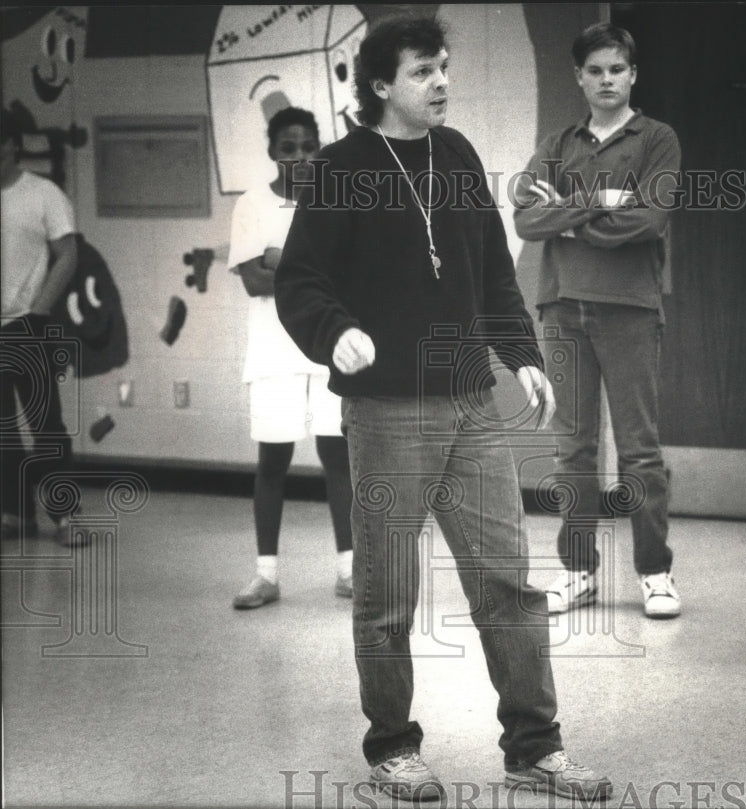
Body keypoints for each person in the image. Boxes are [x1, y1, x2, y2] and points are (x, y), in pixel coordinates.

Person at [274, 15, 612, 803]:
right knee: (388, 589)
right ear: (381, 84)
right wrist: (338, 333)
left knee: (508, 582)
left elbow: (492, 271)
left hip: (470, 404)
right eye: (424, 71)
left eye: (444, 68)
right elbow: (300, 283)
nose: (441, 82)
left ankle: (536, 747)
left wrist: (522, 357)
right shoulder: (339, 168)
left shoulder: (455, 156)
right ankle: (392, 746)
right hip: (387, 412)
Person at [512, 23, 681, 619]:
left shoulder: (657, 138)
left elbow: (650, 219)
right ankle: (578, 570)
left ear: (632, 74)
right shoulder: (559, 142)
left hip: (630, 308)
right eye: (595, 70)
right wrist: (604, 200)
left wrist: (567, 209)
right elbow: (525, 219)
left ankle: (655, 574)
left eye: (617, 69)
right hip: (561, 306)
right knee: (573, 451)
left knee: (639, 451)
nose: (607, 79)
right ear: (578, 78)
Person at [228, 106, 353, 609]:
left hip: (327, 348)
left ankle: (348, 571)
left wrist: (281, 258)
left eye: (307, 148)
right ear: (271, 152)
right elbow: (254, 280)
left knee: (337, 457)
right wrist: (303, 268)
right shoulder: (252, 205)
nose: (299, 157)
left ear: (319, 149)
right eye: (288, 148)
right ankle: (266, 576)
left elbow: (345, 276)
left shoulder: (335, 200)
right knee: (273, 460)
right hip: (274, 352)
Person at [1, 108, 84, 547]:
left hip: (28, 324)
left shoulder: (43, 193)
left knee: (46, 426)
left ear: (12, 145)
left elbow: (67, 254)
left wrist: (39, 310)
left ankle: (66, 517)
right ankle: (15, 513)